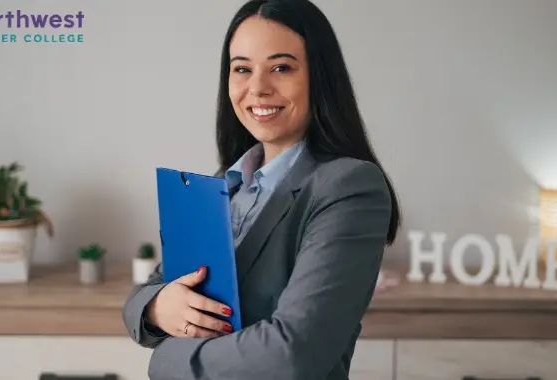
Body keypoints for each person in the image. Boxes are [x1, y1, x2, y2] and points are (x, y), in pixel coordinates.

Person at [122, 0, 401, 379]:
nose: (258, 88)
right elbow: (148, 292)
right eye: (242, 69)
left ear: (319, 77)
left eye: (281, 68)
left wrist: (166, 360)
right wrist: (158, 307)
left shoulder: (348, 187)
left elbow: (293, 353)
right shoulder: (225, 182)